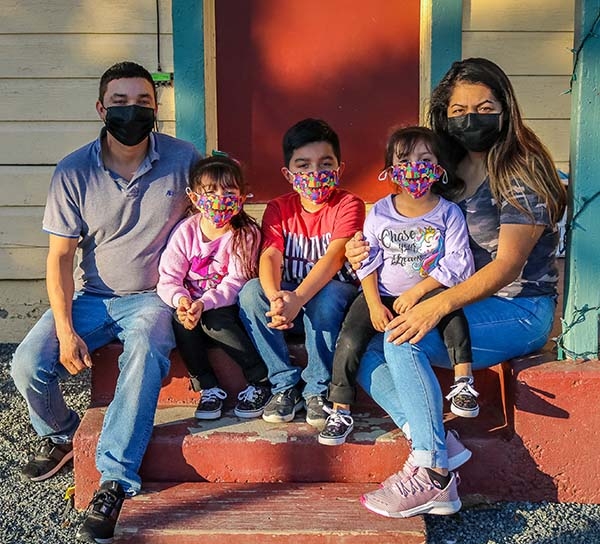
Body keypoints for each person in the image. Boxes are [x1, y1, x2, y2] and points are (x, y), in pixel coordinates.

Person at [347, 57, 567, 518]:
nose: (472, 118)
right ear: (443, 116)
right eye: (459, 109)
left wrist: (433, 307)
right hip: (457, 305)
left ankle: (430, 471)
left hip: (517, 308)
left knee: (402, 339)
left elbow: (507, 266)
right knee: (367, 349)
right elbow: (412, 229)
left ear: (506, 110)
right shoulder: (444, 170)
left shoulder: (521, 172)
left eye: (485, 107)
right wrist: (362, 249)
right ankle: (438, 444)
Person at [10, 62, 200, 544]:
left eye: (142, 103)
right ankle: (60, 435)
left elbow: (213, 218)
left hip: (153, 297)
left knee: (144, 356)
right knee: (27, 363)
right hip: (93, 297)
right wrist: (67, 328)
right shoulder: (73, 171)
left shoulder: (183, 159)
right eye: (120, 103)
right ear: (101, 108)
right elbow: (59, 259)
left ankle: (114, 477)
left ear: (156, 110)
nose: (131, 111)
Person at [323, 126, 478, 447]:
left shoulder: (448, 213)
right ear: (391, 170)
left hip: (428, 292)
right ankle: (339, 407)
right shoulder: (380, 211)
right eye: (405, 160)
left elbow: (458, 263)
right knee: (350, 339)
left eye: (425, 159)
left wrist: (418, 293)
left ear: (438, 168)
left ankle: (463, 381)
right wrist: (373, 303)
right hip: (379, 293)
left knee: (453, 315)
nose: (415, 167)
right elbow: (367, 259)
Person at [238, 118, 365, 427]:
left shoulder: (349, 203)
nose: (314, 173)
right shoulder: (280, 208)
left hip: (329, 302)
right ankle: (283, 385)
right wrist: (276, 299)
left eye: (325, 163)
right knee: (250, 292)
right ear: (288, 173)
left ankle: (317, 390)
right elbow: (270, 254)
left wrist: (297, 298)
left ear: (339, 168)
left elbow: (335, 257)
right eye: (303, 165)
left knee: (330, 292)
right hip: (288, 304)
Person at [157, 153, 271, 420]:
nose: (220, 198)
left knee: (212, 320)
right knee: (181, 322)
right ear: (195, 198)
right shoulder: (186, 231)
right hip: (190, 304)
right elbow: (169, 277)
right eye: (210, 191)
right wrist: (181, 301)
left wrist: (204, 303)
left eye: (229, 191)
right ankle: (208, 387)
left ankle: (259, 379)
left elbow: (236, 281)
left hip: (225, 306)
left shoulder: (244, 233)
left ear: (242, 197)